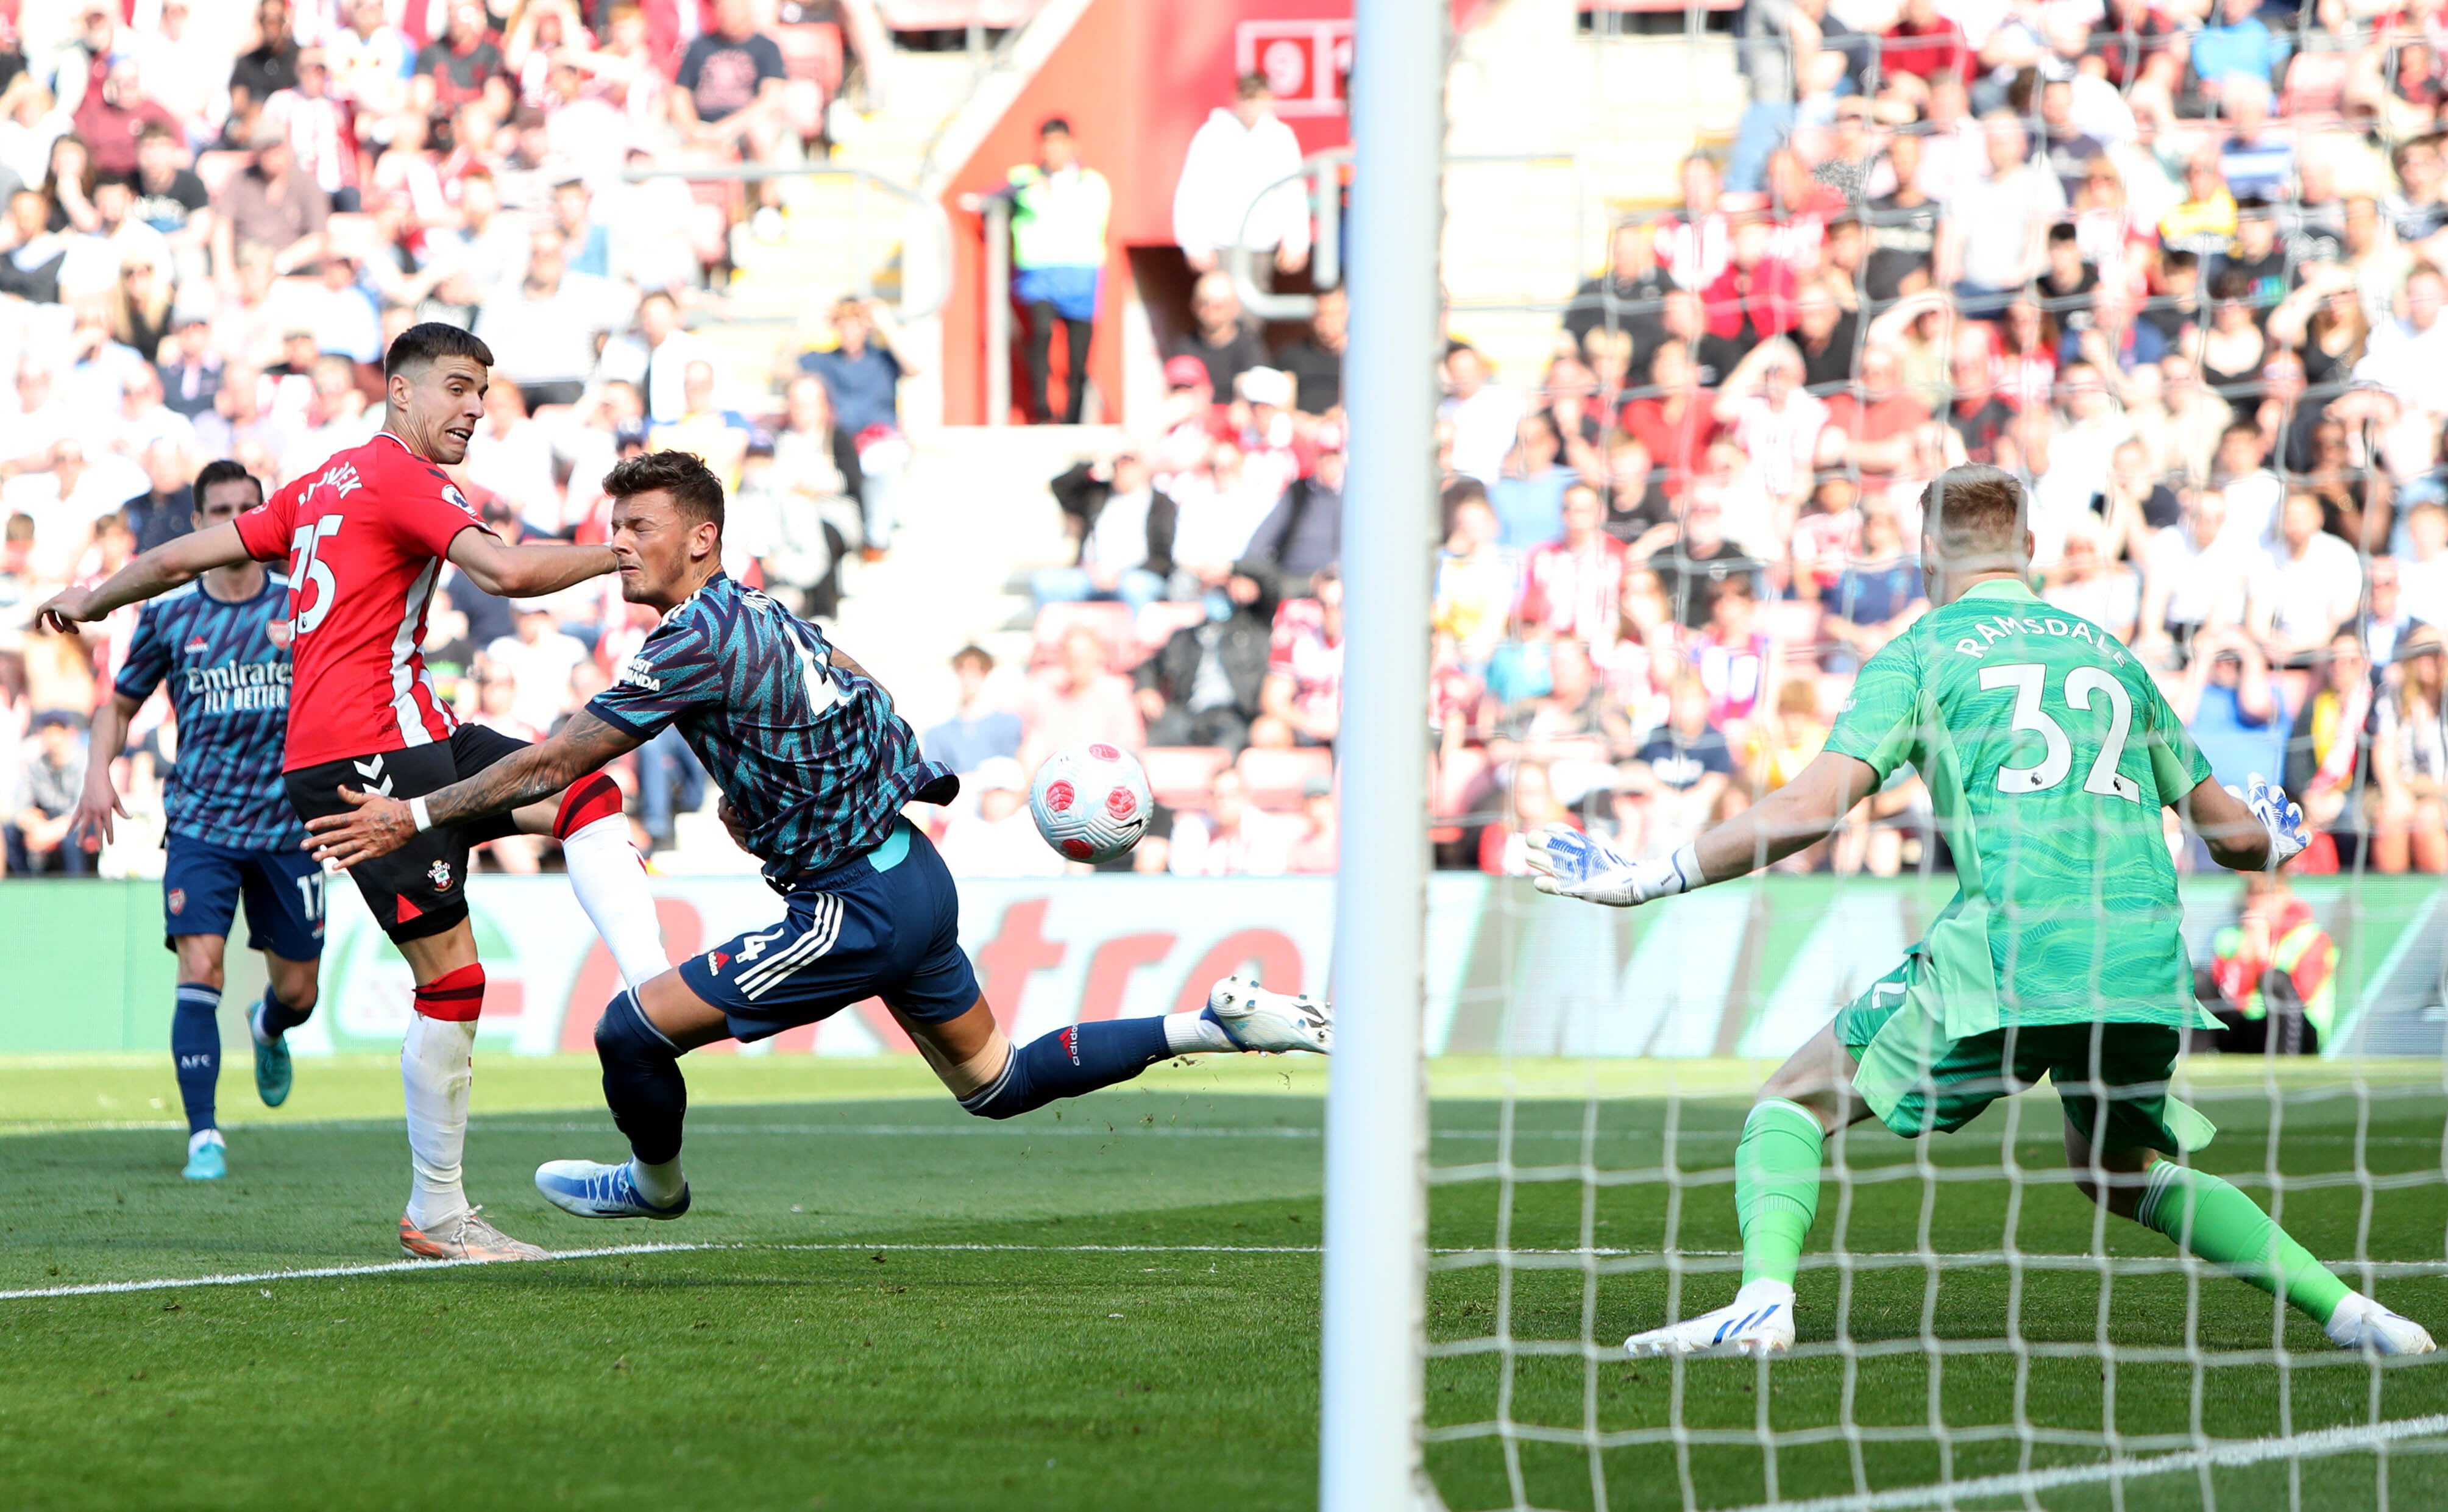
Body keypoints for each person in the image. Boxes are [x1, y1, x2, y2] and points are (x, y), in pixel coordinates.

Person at [1525, 464, 2433, 1361]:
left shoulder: (1921, 653)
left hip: (2007, 948)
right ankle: (2353, 1314)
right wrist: (2273, 838)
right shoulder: (2110, 653)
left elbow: (1808, 809)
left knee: (1793, 1105)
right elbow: (2231, 838)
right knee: (2118, 1173)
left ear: (1927, 552)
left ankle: (1763, 1301)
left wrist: (1650, 876)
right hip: (2141, 955)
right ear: (2031, 548)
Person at [301, 450, 1332, 1223]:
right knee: (998, 1082)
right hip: (912, 875)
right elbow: (868, 690)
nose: (621, 544)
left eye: (641, 527)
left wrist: (419, 812)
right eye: (614, 525)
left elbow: (558, 761)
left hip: (855, 905)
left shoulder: (694, 636)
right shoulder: (765, 612)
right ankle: (1209, 1025)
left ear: (700, 537)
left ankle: (654, 1187)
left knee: (630, 1029)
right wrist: (873, 784)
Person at [35, 324, 672, 1265]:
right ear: (401, 393)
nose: (474, 408)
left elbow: (179, 557)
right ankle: (441, 1211)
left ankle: (653, 998)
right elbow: (504, 572)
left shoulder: (324, 482)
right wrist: (623, 558)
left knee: (579, 789)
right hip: (369, 752)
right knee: (452, 978)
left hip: (410, 733)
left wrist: (94, 597)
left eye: (484, 393)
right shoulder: (402, 478)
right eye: (458, 386)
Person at [70, 461, 322, 1180]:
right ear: (198, 522)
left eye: (248, 507)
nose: (234, 520)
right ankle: (204, 1135)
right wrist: (98, 772)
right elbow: (118, 705)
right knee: (201, 966)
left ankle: (269, 1027)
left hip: (289, 828)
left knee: (298, 992)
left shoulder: (301, 606)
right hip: (202, 824)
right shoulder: (171, 612)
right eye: (220, 509)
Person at [1003, 117, 1109, 425]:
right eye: (1048, 144)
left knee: (1078, 358)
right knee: (1040, 334)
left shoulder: (1092, 183)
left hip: (1080, 276)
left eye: (1059, 143)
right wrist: (1027, 187)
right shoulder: (1024, 178)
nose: (1054, 151)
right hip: (1039, 273)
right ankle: (1041, 409)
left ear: (1072, 146)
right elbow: (997, 194)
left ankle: (1073, 417)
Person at [1171, 72, 1307, 279]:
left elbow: (1293, 193)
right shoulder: (1212, 133)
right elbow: (1191, 191)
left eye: (1256, 99)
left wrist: (1296, 243)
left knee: (1254, 308)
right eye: (1245, 98)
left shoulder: (1280, 137)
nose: (1250, 106)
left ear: (1269, 99)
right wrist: (1194, 245)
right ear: (1235, 98)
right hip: (1220, 248)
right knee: (1218, 305)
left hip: (1261, 247)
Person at [923, 645, 1021, 776]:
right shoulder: (937, 735)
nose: (967, 680)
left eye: (974, 673)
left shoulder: (1010, 725)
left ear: (986, 675)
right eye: (961, 672)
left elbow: (1014, 775)